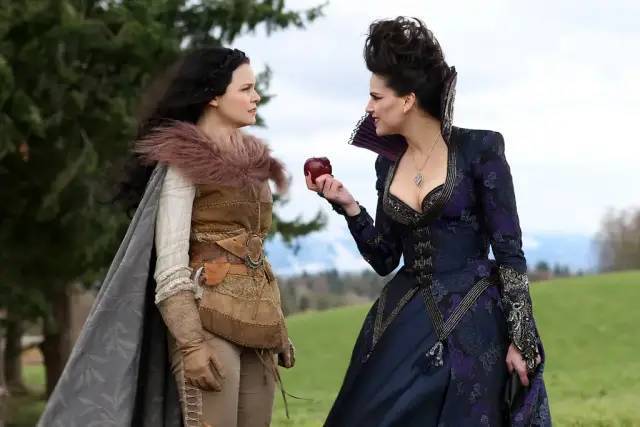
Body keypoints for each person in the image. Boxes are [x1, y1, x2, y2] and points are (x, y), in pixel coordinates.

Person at [306, 17, 550, 426]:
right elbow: (385, 258)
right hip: (404, 319)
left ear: (407, 100)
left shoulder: (480, 148)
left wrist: (521, 338)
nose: (367, 107)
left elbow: (509, 251)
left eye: (375, 96)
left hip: (473, 320)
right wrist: (349, 207)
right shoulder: (387, 164)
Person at [38, 47, 294, 427]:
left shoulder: (255, 167)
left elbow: (255, 254)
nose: (256, 97)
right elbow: (171, 266)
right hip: (208, 323)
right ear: (213, 96)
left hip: (258, 325)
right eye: (246, 89)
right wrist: (191, 345)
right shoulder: (184, 163)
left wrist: (278, 328)